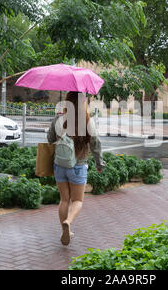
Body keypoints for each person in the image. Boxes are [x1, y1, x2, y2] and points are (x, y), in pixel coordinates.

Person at [47, 91, 105, 246]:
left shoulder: (59, 118)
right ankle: (69, 221)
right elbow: (96, 145)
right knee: (78, 200)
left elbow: (49, 139)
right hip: (78, 166)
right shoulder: (87, 121)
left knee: (64, 200)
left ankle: (64, 230)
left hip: (59, 165)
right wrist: (100, 164)